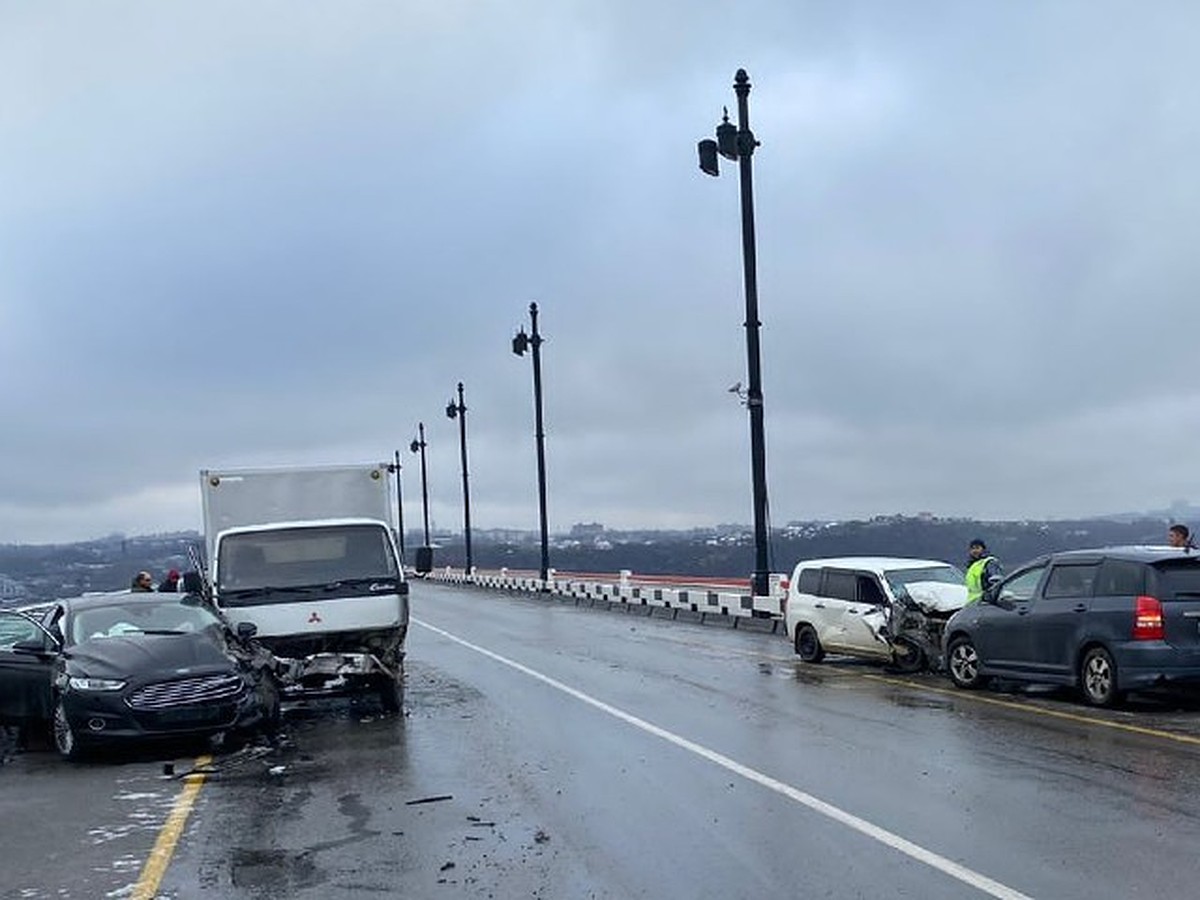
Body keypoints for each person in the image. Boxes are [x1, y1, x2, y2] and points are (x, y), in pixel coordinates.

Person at [964, 539, 1003, 604]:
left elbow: (996, 582)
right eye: (972, 548)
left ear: (983, 549)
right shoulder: (972, 565)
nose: (974, 551)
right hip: (973, 601)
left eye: (977, 548)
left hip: (985, 601)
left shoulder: (989, 562)